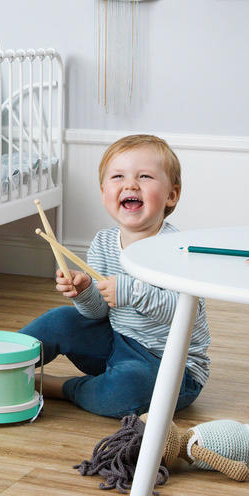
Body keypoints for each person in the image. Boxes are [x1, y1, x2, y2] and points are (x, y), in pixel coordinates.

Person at [20, 134, 209, 417]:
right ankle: (1, 362)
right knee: (59, 320)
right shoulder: (103, 243)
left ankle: (66, 388)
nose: (130, 184)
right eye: (118, 176)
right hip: (117, 342)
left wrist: (129, 292)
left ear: (172, 194)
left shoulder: (176, 250)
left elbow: (185, 312)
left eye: (145, 177)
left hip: (169, 367)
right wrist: (85, 293)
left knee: (128, 387)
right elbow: (97, 315)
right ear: (103, 192)